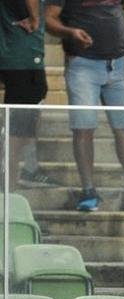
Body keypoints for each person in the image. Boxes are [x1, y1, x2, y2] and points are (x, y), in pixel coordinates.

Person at [45, 0, 124, 213]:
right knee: (83, 128)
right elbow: (49, 18)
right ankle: (88, 190)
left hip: (120, 64)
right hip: (82, 64)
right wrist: (70, 32)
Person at [0, 0, 58, 189]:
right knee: (18, 123)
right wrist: (35, 17)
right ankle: (10, 181)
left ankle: (28, 169)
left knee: (27, 112)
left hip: (16, 52)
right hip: (22, 54)